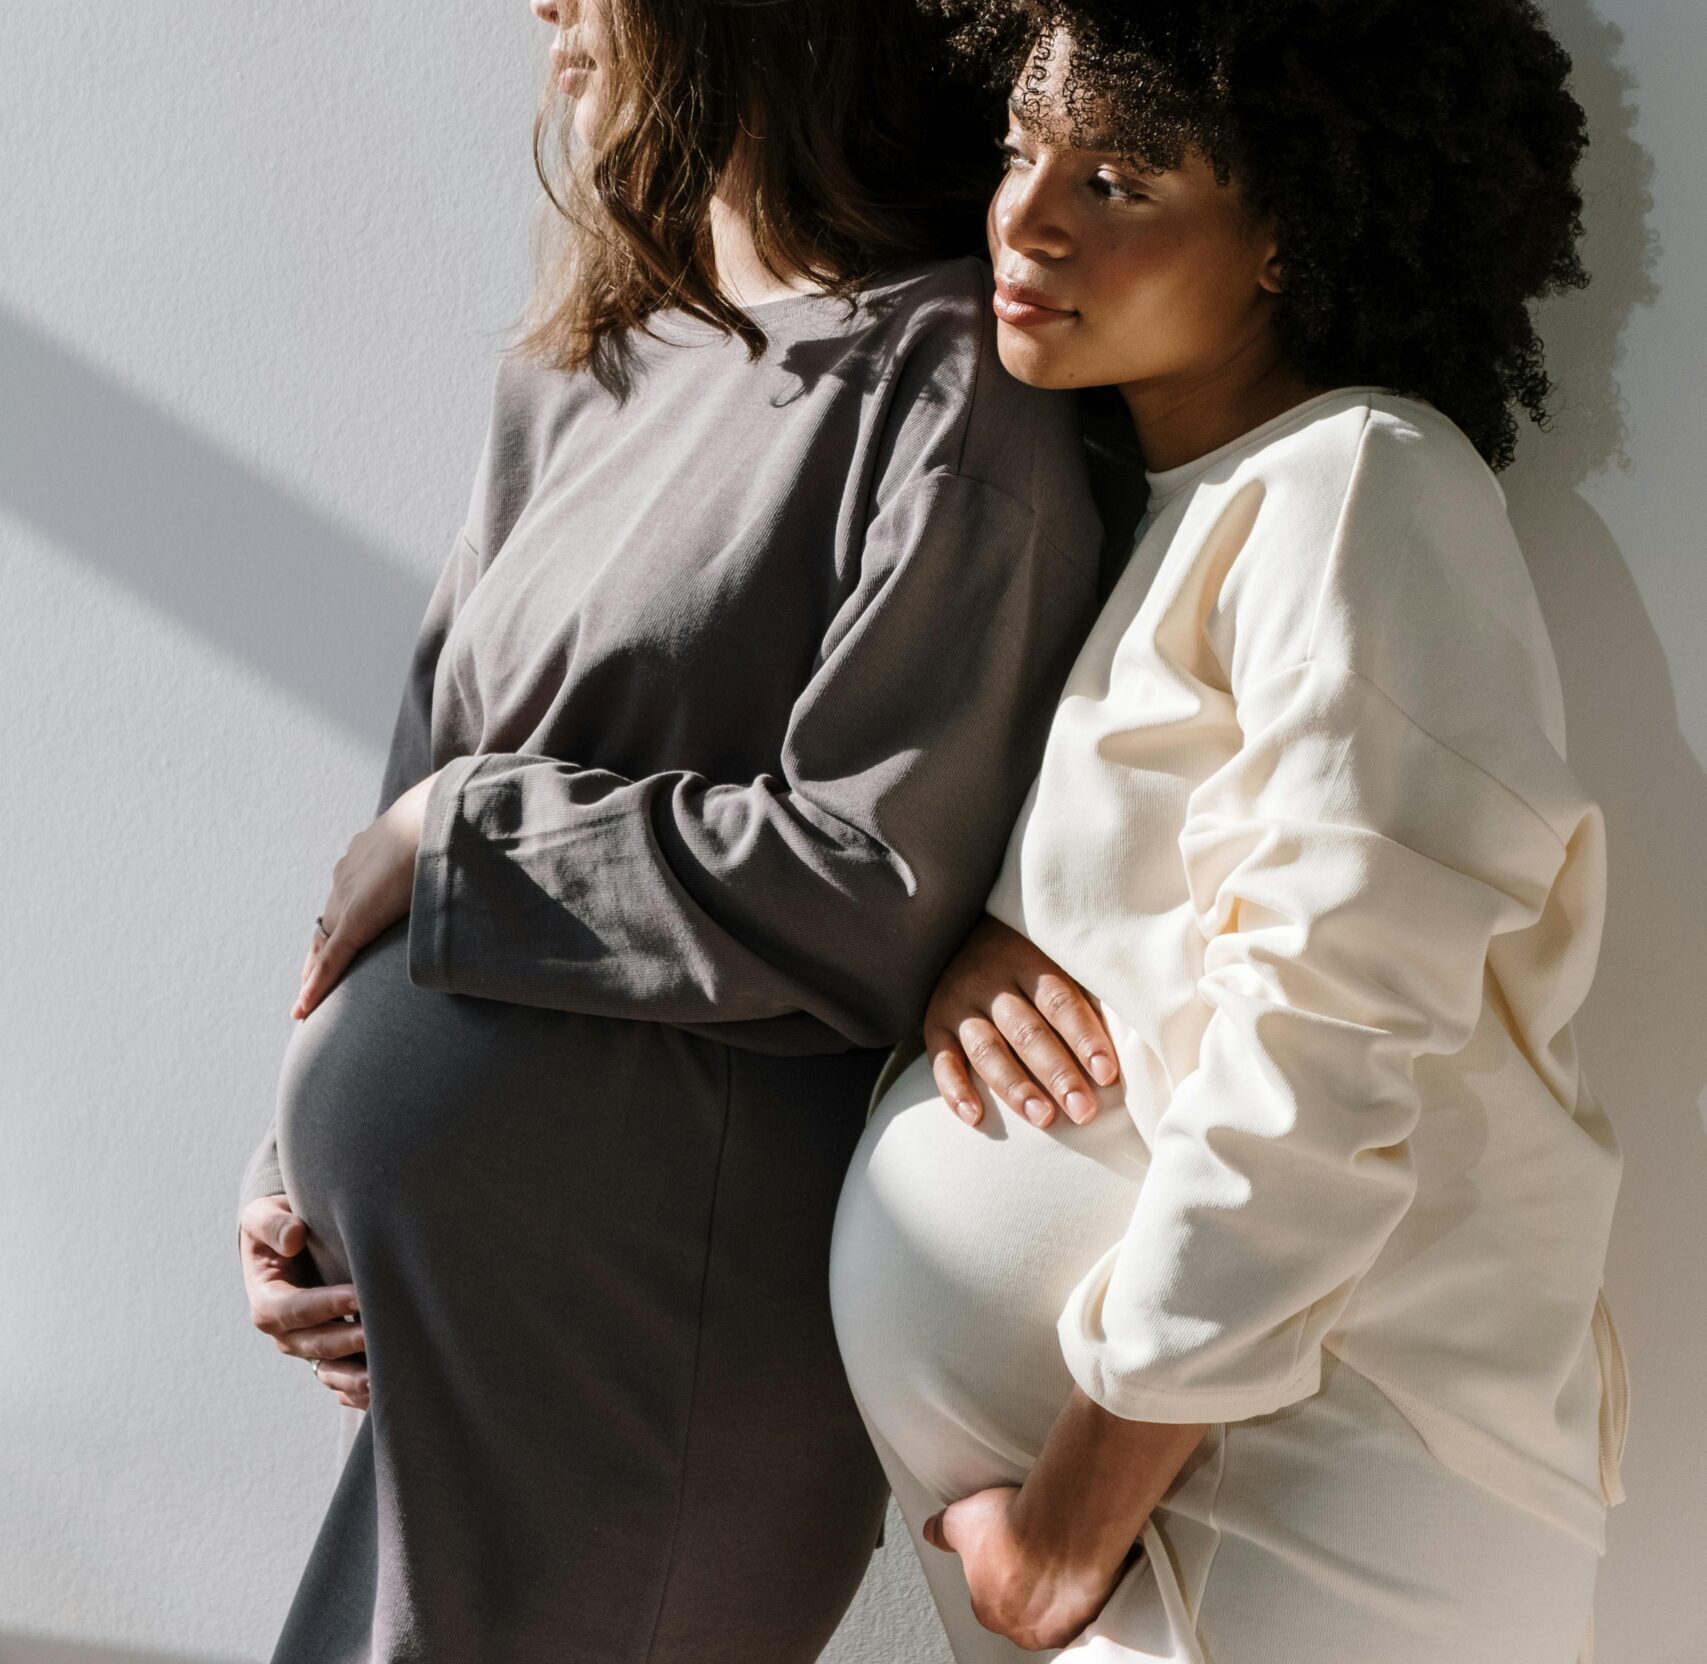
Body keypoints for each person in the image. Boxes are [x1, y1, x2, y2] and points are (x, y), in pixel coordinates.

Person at [233, 1, 1110, 1658]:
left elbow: (873, 885)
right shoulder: (579, 371)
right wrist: (289, 1172)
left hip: (651, 1350)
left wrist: (467, 835)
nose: (546, 8)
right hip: (451, 1348)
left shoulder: (947, 384)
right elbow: (394, 845)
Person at [829, 2, 1630, 1660]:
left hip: (1307, 1493)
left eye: (1116, 175)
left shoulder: (1362, 482)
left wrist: (1064, 1530)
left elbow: (1325, 1047)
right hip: (1213, 1507)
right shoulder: (1187, 515)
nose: (1026, 214)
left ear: (1289, 230)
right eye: (1019, 147)